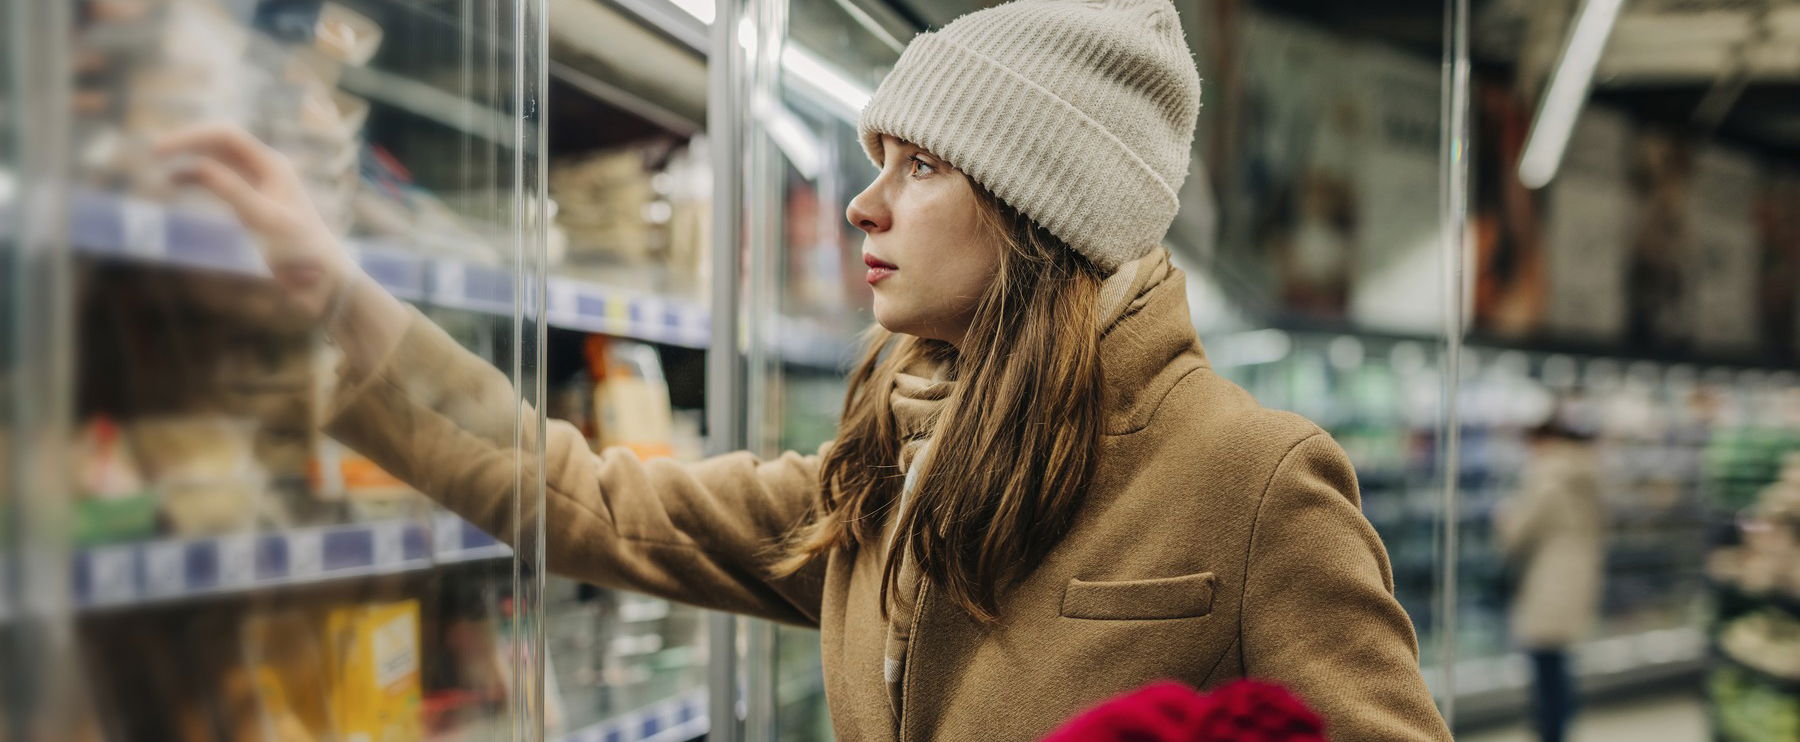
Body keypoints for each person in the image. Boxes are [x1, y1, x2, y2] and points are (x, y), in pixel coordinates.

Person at [155, 0, 1452, 739]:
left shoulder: (1251, 478)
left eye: (921, 167)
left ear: (1037, 207)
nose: (863, 207)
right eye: (873, 162)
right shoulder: (886, 478)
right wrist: (336, 292)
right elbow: (593, 493)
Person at [1494, 411, 1606, 742]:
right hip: (1576, 578)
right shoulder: (1586, 472)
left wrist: (1502, 516)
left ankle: (1550, 732)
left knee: (1545, 666)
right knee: (1558, 665)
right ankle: (1558, 729)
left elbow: (1518, 531)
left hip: (1548, 581)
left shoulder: (1548, 474)